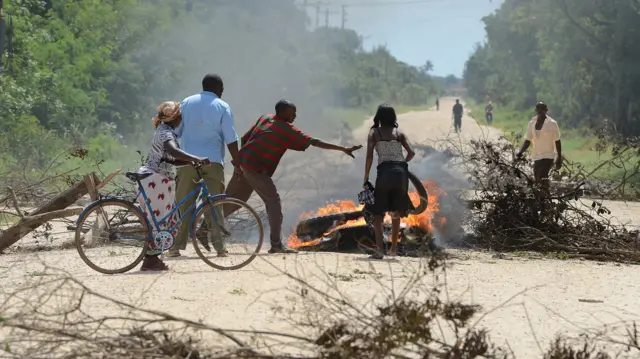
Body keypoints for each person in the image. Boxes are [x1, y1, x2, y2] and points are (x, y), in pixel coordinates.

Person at [224, 100, 362, 254]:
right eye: (292, 113)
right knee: (273, 202)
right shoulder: (286, 129)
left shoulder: (265, 118)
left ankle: (204, 227)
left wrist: (239, 162)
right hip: (255, 169)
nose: (295, 116)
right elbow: (314, 142)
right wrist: (343, 148)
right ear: (283, 112)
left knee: (232, 200)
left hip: (243, 164)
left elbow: (244, 138)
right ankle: (276, 244)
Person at [170, 74, 241, 258]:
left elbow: (176, 132)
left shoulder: (186, 103)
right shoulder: (222, 106)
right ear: (218, 88)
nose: (223, 91)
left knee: (184, 204)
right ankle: (219, 248)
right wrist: (237, 163)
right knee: (214, 204)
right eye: (222, 88)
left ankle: (175, 247)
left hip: (186, 162)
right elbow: (231, 138)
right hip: (212, 162)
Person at [136, 101, 211, 271]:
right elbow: (173, 151)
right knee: (160, 222)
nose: (182, 118)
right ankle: (150, 260)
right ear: (175, 117)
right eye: (180, 115)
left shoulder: (165, 131)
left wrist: (189, 162)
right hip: (155, 180)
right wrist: (196, 158)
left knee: (167, 220)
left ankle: (152, 259)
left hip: (157, 180)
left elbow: (170, 159)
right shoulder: (167, 134)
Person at [363, 104, 415, 259]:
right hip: (400, 173)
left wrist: (365, 177)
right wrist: (402, 164)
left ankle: (380, 250)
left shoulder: (374, 132)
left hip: (384, 172)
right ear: (393, 117)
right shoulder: (399, 133)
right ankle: (393, 249)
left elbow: (369, 156)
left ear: (378, 116)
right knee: (396, 212)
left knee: (377, 213)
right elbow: (411, 153)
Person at [516, 101, 562, 189]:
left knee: (542, 177)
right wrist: (520, 152)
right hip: (537, 156)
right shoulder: (531, 124)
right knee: (537, 180)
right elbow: (527, 140)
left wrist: (559, 158)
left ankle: (546, 199)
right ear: (536, 110)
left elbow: (557, 141)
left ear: (546, 110)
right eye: (538, 109)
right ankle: (543, 199)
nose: (540, 111)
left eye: (542, 109)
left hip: (548, 156)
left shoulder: (552, 123)